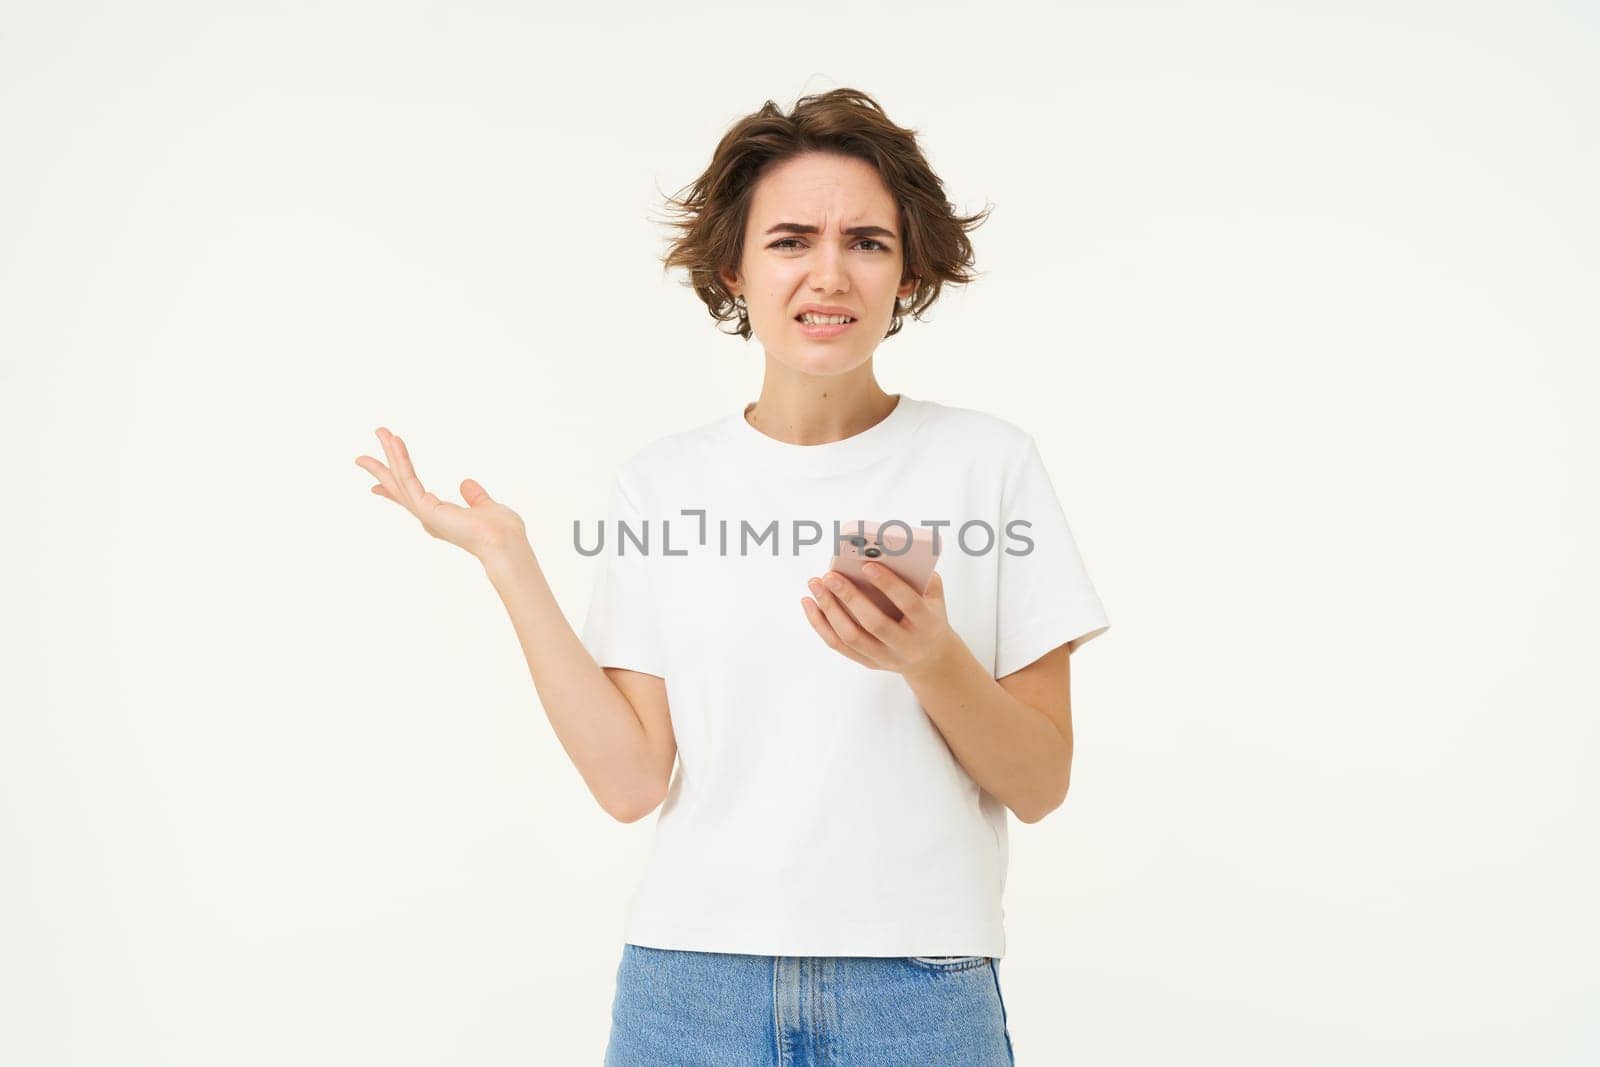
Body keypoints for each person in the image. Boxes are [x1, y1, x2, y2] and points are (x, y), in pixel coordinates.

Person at [355, 87, 1110, 1066]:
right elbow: (630, 780)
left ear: (908, 269)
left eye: (867, 242)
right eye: (791, 239)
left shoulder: (987, 464)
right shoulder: (665, 483)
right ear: (733, 268)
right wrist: (510, 561)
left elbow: (1040, 780)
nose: (828, 273)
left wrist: (930, 659)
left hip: (920, 988)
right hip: (690, 988)